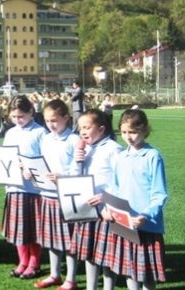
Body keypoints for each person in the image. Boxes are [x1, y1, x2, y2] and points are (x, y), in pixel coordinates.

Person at [101, 109, 168, 290]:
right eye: (124, 132)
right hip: (124, 223)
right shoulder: (121, 156)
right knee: (129, 268)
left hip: (145, 225)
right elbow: (114, 188)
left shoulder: (153, 156)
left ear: (145, 130)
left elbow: (159, 193)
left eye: (133, 132)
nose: (128, 137)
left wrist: (145, 214)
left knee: (146, 273)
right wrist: (107, 208)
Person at [70, 109, 122, 290]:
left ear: (101, 129)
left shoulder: (113, 149)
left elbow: (121, 181)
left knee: (107, 256)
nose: (82, 132)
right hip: (87, 210)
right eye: (80, 128)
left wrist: (105, 198)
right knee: (89, 253)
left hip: (106, 211)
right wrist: (77, 160)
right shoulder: (85, 149)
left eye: (87, 127)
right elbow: (74, 179)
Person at [33, 99, 80, 290]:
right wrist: (30, 171)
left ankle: (71, 278)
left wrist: (63, 176)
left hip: (66, 196)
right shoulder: (45, 138)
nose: (50, 125)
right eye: (47, 121)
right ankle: (54, 274)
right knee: (51, 238)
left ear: (66, 118)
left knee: (69, 240)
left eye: (54, 120)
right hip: (46, 194)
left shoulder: (74, 140)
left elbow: (79, 169)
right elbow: (40, 162)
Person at [2, 95, 47, 279]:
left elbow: (46, 160)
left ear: (31, 112)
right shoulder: (11, 132)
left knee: (33, 228)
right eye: (14, 117)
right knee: (18, 228)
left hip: (33, 189)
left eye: (21, 116)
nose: (17, 120)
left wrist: (33, 170)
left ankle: (34, 263)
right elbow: (5, 155)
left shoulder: (40, 133)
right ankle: (22, 261)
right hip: (14, 187)